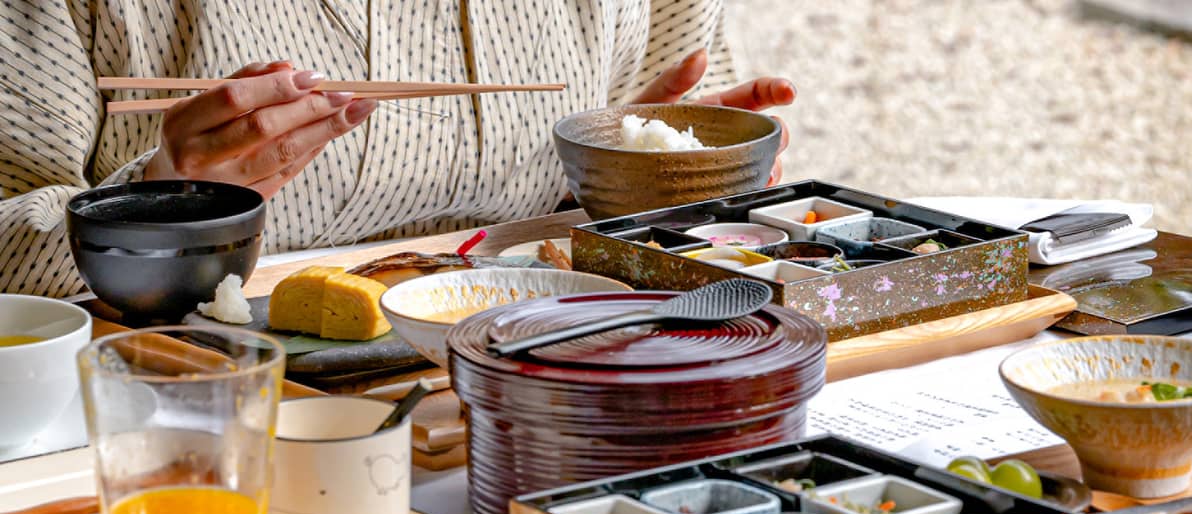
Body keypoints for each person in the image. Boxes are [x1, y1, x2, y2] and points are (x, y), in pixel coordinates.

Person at [0, 0, 794, 297]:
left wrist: (649, 183)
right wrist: (165, 206)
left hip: (551, 370)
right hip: (206, 405)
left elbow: (679, 171)